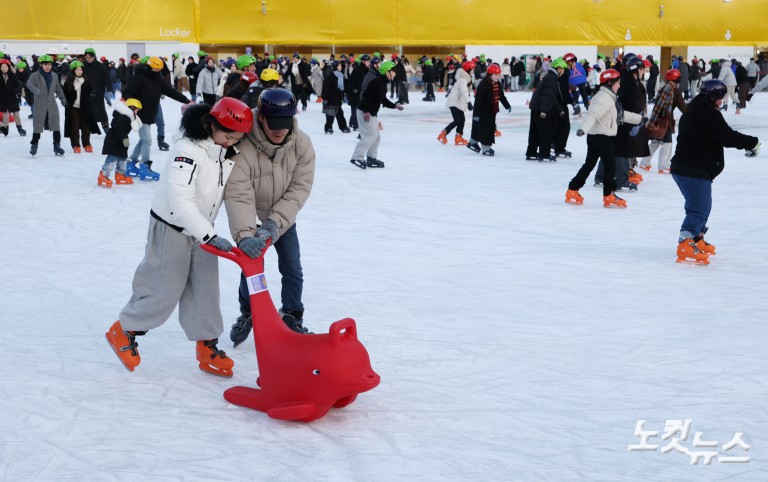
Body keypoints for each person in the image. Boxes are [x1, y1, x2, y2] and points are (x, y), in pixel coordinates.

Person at [105, 97, 253, 377]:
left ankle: (207, 345)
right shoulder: (186, 150)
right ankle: (124, 330)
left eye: (237, 139)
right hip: (172, 226)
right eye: (228, 137)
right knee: (163, 288)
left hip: (202, 229)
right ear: (212, 125)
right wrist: (210, 235)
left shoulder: (224, 151)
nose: (231, 143)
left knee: (206, 290)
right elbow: (179, 201)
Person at [223, 89, 316, 346]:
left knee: (292, 267)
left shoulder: (302, 144)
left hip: (282, 217)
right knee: (252, 270)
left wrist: (275, 222)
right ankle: (249, 311)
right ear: (261, 117)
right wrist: (245, 235)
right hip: (251, 216)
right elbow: (238, 193)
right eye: (274, 123)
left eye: (285, 122)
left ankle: (292, 314)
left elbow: (299, 188)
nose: (280, 129)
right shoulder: (241, 144)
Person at [670, 79, 760, 265]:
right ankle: (685, 243)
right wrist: (751, 142)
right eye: (721, 97)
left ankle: (696, 238)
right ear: (714, 97)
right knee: (698, 208)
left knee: (703, 206)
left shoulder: (692, 112)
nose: (722, 100)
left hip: (684, 167)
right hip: (693, 169)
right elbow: (727, 137)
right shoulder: (708, 115)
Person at [564, 69, 644, 208]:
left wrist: (639, 119)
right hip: (601, 136)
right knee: (610, 165)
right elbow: (593, 115)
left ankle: (573, 190)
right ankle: (609, 195)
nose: (619, 85)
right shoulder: (604, 98)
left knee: (590, 164)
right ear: (610, 83)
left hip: (596, 136)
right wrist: (583, 128)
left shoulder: (608, 97)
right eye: (617, 83)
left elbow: (620, 115)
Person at [121, 56, 192, 180]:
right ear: (148, 67)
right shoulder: (138, 78)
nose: (156, 71)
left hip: (149, 114)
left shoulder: (158, 80)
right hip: (138, 114)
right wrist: (132, 106)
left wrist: (187, 101)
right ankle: (145, 165)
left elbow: (171, 92)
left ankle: (131, 163)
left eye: (158, 70)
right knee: (147, 140)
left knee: (143, 140)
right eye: (154, 69)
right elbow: (127, 93)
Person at [349, 60, 404, 169]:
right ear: (386, 72)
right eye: (393, 72)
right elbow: (366, 96)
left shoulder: (382, 83)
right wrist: (366, 111)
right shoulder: (377, 82)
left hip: (371, 113)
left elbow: (382, 99)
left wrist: (394, 106)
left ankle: (371, 158)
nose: (394, 74)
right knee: (370, 136)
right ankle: (357, 157)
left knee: (377, 137)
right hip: (365, 112)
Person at [638, 69, 687, 173]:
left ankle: (644, 163)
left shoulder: (663, 89)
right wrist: (692, 112)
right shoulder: (674, 91)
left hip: (655, 119)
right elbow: (683, 107)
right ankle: (663, 166)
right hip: (665, 122)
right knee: (667, 144)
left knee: (655, 142)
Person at [26, 54, 67, 156]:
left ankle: (57, 145)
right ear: (41, 65)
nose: (48, 67)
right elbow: (29, 84)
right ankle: (34, 144)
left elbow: (58, 89)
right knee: (38, 126)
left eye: (49, 64)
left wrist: (63, 100)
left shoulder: (54, 75)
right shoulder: (35, 75)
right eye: (45, 64)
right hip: (40, 105)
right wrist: (36, 91)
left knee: (56, 125)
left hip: (52, 105)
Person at [524, 59, 565, 161]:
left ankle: (531, 153)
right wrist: (544, 111)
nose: (564, 71)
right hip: (540, 108)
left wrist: (560, 110)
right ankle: (544, 154)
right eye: (563, 69)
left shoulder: (550, 76)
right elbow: (547, 96)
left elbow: (552, 97)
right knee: (547, 130)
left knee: (535, 131)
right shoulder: (552, 79)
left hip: (536, 107)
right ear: (559, 69)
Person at [98, 98, 142, 188]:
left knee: (123, 158)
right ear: (132, 108)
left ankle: (120, 175)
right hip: (114, 140)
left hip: (120, 141)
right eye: (137, 110)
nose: (137, 112)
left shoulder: (128, 116)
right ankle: (103, 175)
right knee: (112, 159)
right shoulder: (123, 116)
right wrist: (124, 138)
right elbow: (119, 128)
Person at [62, 60, 102, 153]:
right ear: (73, 71)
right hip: (73, 108)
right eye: (77, 70)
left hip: (85, 107)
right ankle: (76, 145)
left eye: (81, 70)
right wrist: (65, 102)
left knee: (86, 127)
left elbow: (92, 90)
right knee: (74, 126)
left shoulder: (86, 80)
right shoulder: (69, 82)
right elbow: (65, 94)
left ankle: (87, 144)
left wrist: (92, 93)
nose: (80, 71)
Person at [437, 60, 473, 146]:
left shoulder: (465, 79)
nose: (473, 71)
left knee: (462, 120)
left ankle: (458, 137)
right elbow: (464, 92)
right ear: (468, 69)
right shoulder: (462, 80)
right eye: (473, 69)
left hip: (458, 102)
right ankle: (443, 134)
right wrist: (469, 102)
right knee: (457, 120)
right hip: (454, 102)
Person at [81, 48, 114, 131]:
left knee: (100, 110)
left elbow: (107, 79)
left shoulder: (100, 66)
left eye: (90, 57)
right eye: (86, 57)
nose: (88, 59)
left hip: (98, 92)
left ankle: (105, 127)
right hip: (86, 91)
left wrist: (110, 90)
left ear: (94, 56)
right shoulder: (83, 65)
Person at [321, 60, 350, 134]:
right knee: (330, 115)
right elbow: (326, 88)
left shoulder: (340, 75)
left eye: (341, 65)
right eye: (339, 66)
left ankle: (343, 127)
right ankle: (328, 128)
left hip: (338, 99)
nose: (340, 67)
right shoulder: (331, 76)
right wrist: (325, 98)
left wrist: (344, 95)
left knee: (340, 114)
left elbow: (342, 88)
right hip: (331, 99)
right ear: (335, 67)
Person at [0, 59, 26, 137]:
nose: (4, 68)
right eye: (2, 67)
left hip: (12, 98)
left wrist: (18, 92)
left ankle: (19, 127)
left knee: (16, 114)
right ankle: (5, 128)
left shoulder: (13, 76)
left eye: (5, 67)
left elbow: (18, 85)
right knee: (5, 114)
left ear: (8, 67)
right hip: (3, 99)